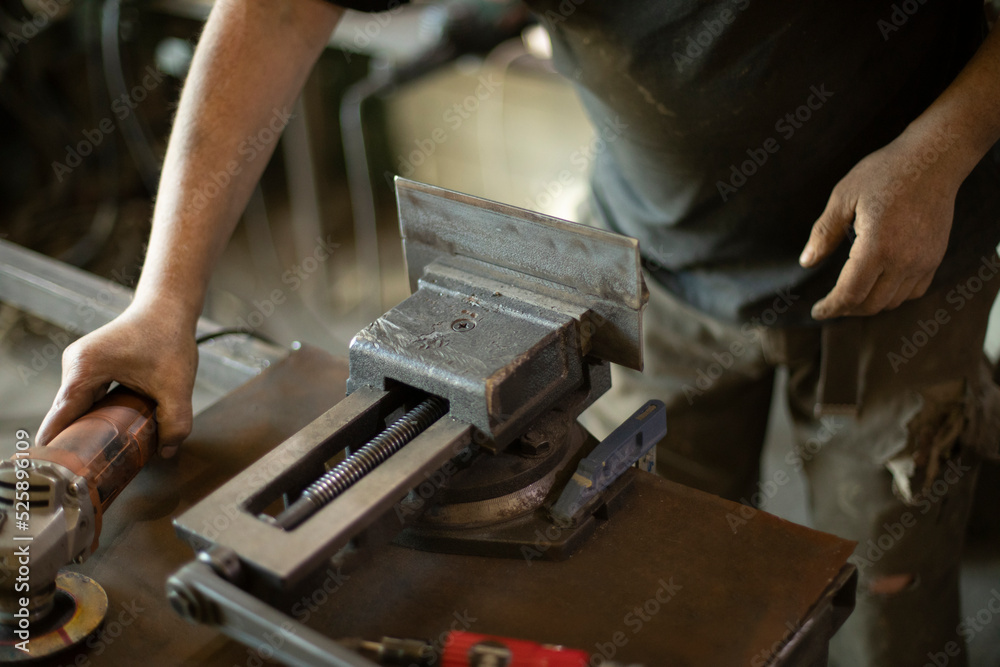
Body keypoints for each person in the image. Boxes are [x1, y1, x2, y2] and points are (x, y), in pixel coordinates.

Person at [35, 1, 1000, 665]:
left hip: (911, 256)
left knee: (885, 586)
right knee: (667, 568)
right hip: (654, 261)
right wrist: (163, 300)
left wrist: (944, 148)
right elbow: (284, 12)